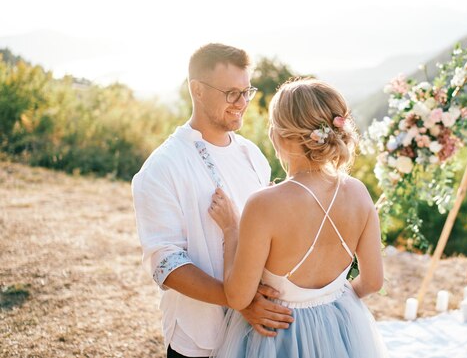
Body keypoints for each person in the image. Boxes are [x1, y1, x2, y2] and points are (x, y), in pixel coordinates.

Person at [132, 43, 294, 358]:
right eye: (232, 93)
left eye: (247, 92)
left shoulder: (252, 155)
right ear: (197, 91)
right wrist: (239, 299)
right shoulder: (161, 168)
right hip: (199, 339)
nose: (243, 103)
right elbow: (167, 264)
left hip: (257, 336)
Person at [209, 78, 389, 358]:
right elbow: (373, 281)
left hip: (278, 335)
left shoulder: (263, 205)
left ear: (278, 136)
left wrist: (231, 229)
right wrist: (330, 301)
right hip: (339, 329)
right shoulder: (358, 192)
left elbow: (238, 297)